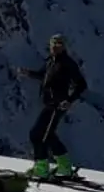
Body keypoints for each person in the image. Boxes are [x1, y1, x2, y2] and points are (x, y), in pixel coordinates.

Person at [17, 33, 87, 178]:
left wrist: (69, 100)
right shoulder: (51, 61)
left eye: (59, 44)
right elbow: (44, 76)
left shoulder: (67, 63)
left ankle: (41, 169)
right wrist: (28, 73)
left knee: (37, 134)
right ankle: (64, 167)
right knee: (48, 135)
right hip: (49, 103)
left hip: (57, 105)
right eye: (53, 44)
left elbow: (81, 84)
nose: (55, 47)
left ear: (64, 46)